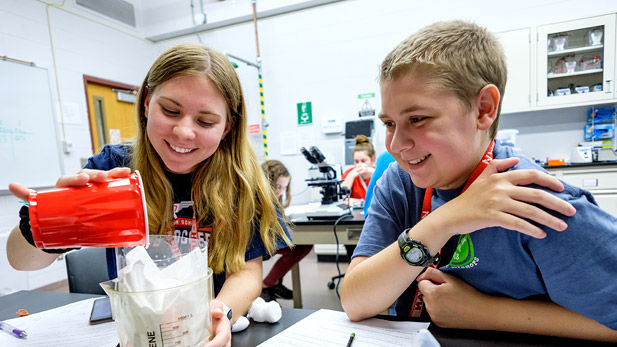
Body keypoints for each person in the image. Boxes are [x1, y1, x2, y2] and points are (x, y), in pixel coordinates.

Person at [340, 20, 617, 342]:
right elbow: (355, 301)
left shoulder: (537, 201)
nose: (396, 145)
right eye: (389, 123)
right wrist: (442, 221)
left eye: (417, 119)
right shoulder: (401, 184)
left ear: (483, 109)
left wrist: (484, 313)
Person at [7, 42, 292, 347]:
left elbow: (247, 273)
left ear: (227, 127)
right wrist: (50, 219)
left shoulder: (244, 184)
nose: (183, 132)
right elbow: (20, 261)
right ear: (146, 103)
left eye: (205, 121)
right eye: (170, 111)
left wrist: (214, 316)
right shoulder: (114, 169)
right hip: (138, 333)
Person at [259, 160, 312, 301]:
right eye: (277, 187)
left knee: (305, 245)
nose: (280, 192)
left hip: (268, 239)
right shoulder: (259, 200)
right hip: (260, 243)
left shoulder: (273, 201)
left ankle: (273, 282)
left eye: (283, 188)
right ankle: (267, 285)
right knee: (298, 248)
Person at [341, 134, 376, 200]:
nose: (359, 165)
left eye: (363, 161)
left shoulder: (378, 172)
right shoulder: (349, 173)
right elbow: (343, 197)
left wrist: (374, 172)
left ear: (372, 159)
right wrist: (351, 176)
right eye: (356, 161)